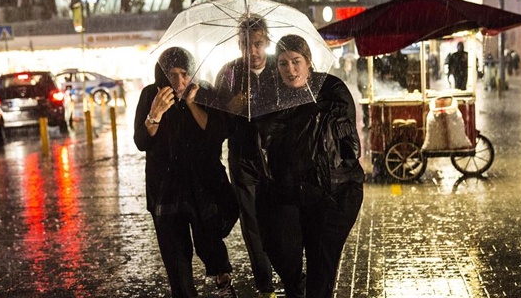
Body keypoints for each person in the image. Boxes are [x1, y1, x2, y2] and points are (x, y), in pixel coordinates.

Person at [255, 34, 364, 298]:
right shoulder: (272, 96)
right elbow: (266, 138)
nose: (290, 70)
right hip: (293, 192)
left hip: (335, 191)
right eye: (282, 64)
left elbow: (331, 134)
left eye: (296, 61)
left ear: (308, 61)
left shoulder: (330, 88)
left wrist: (299, 113)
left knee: (320, 267)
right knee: (283, 255)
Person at [134, 47, 238, 298]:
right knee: (176, 258)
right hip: (165, 191)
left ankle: (222, 278)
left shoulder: (205, 93)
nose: (179, 82)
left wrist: (192, 105)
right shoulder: (151, 94)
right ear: (162, 75)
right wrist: (154, 115)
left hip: (202, 187)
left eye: (184, 74)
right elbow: (141, 141)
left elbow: (218, 133)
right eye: (172, 75)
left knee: (210, 240)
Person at [214, 16, 277, 297]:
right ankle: (265, 284)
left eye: (258, 44)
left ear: (267, 42)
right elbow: (218, 125)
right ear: (239, 44)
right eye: (247, 45)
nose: (253, 51)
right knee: (252, 225)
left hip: (277, 159)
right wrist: (233, 107)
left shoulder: (279, 69)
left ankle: (288, 270)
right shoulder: (229, 73)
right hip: (242, 160)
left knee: (280, 220)